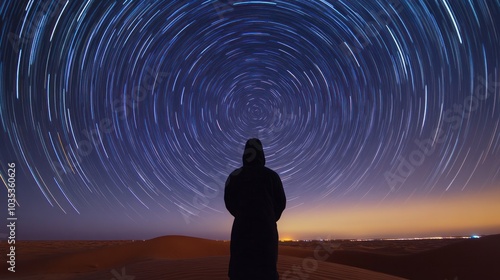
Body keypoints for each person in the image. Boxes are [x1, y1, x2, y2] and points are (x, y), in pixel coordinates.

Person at [224, 138, 287, 280]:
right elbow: (281, 203)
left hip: (242, 230)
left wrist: (242, 215)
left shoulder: (234, 176)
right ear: (262, 154)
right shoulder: (272, 176)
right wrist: (269, 217)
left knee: (240, 270)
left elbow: (229, 202)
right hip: (266, 232)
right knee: (266, 270)